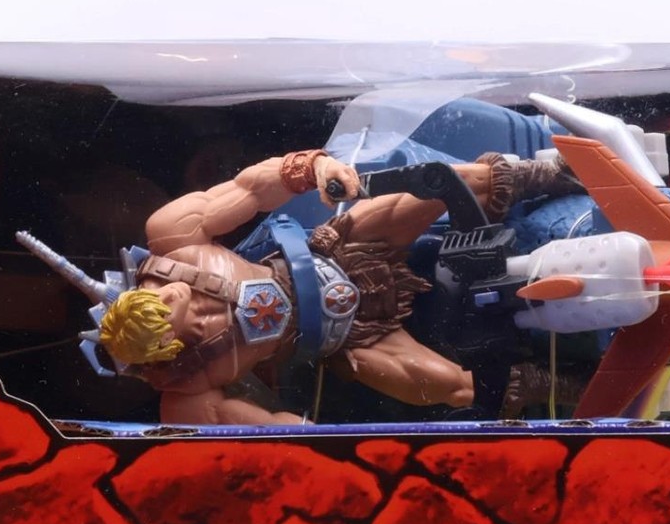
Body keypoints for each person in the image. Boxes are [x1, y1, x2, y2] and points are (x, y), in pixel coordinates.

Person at [97, 148, 543, 426]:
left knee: (444, 181)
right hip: (348, 340)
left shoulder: (173, 238)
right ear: (164, 347)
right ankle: (552, 384)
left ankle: (548, 173)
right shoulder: (187, 392)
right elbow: (279, 433)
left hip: (341, 252)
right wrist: (312, 436)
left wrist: (316, 168)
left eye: (156, 295)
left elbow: (252, 188)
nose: (172, 295)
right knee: (456, 388)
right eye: (168, 312)